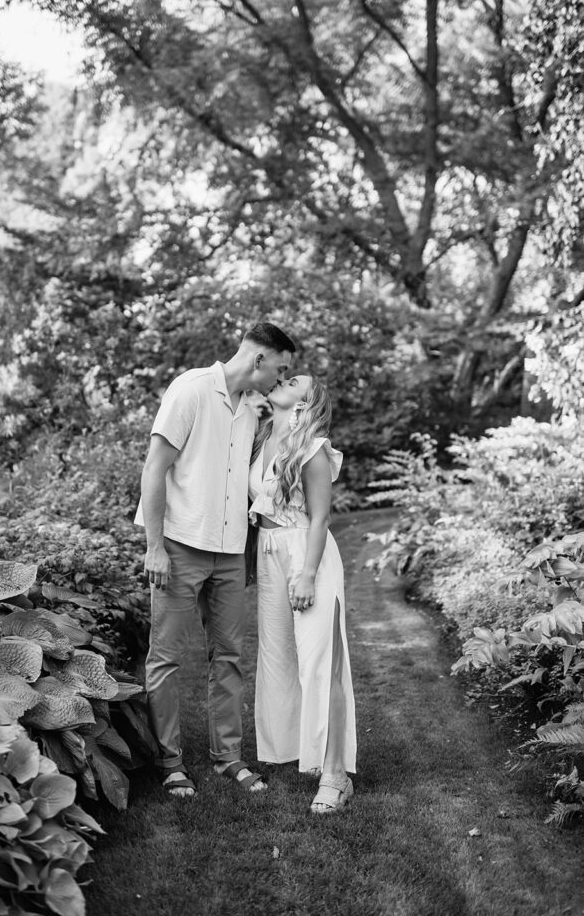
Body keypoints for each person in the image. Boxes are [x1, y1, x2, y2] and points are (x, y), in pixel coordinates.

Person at [135, 322, 296, 797]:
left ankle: (228, 757)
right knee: (165, 658)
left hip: (228, 555)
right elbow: (154, 467)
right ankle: (170, 762)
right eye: (281, 370)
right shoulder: (190, 390)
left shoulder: (251, 408)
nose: (281, 380)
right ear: (259, 360)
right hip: (180, 546)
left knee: (228, 658)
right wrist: (154, 546)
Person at [249, 374, 357, 813]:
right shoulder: (259, 441)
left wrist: (308, 574)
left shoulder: (312, 448)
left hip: (306, 554)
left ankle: (335, 776)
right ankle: (307, 753)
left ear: (306, 401)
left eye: (292, 380)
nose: (280, 380)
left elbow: (319, 517)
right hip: (269, 552)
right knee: (279, 660)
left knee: (320, 663)